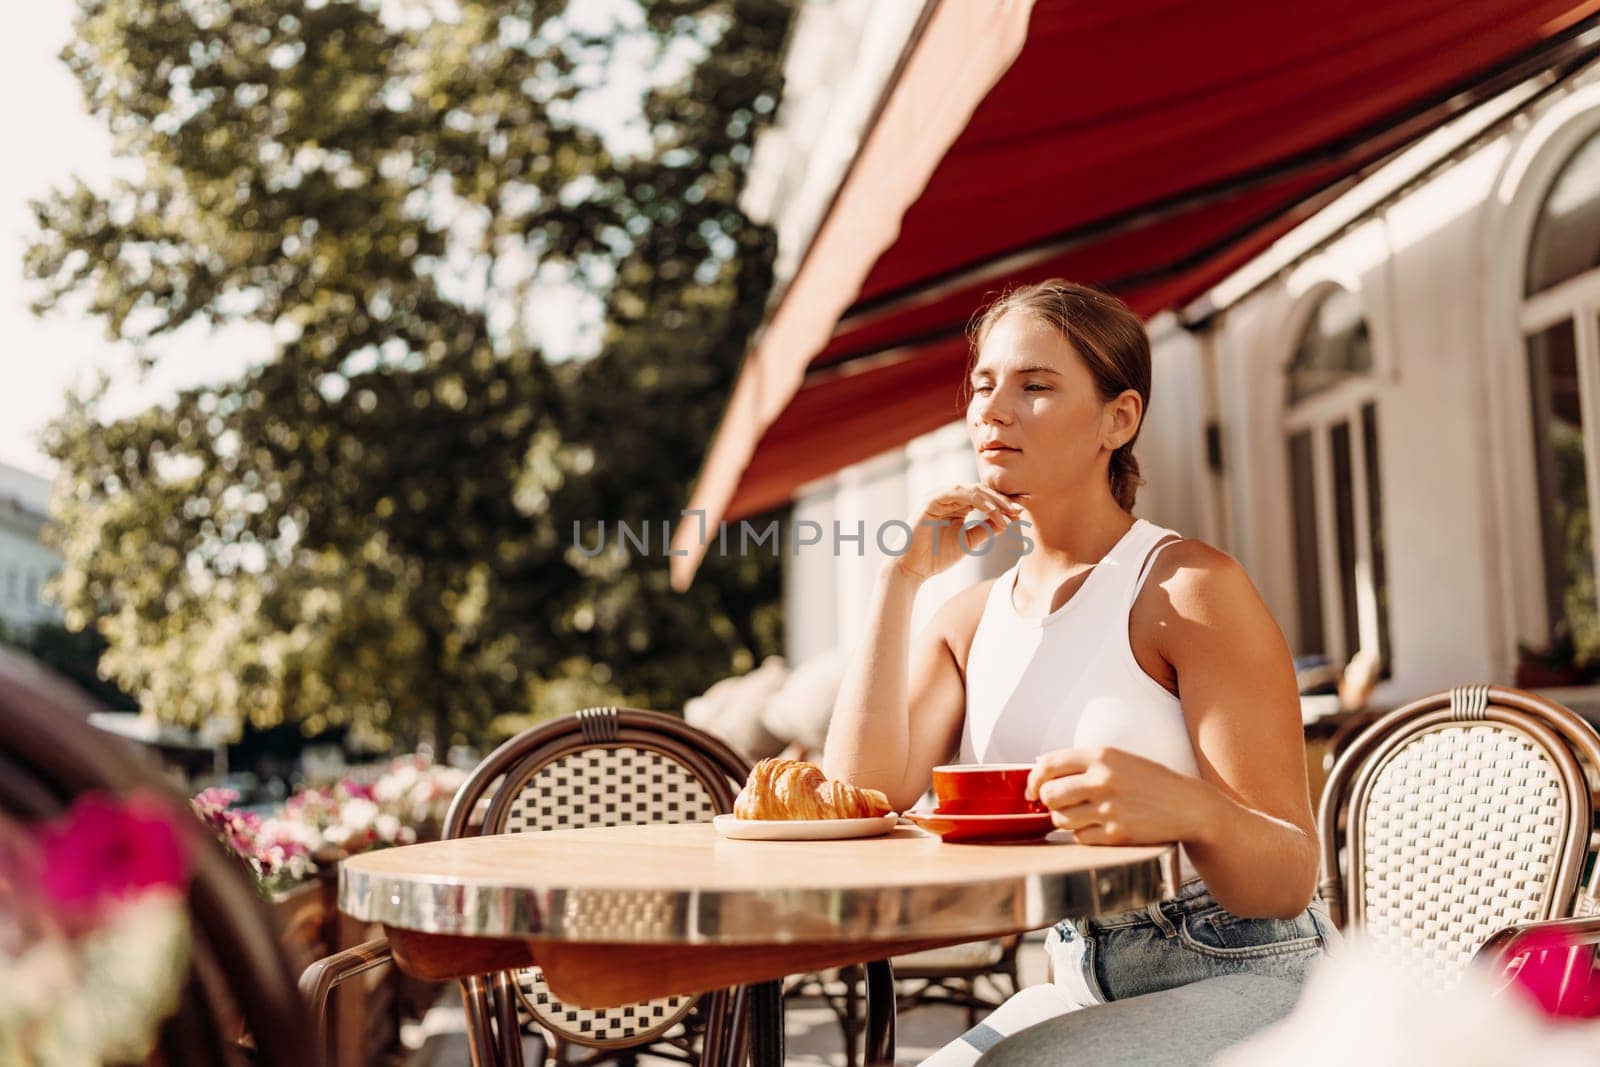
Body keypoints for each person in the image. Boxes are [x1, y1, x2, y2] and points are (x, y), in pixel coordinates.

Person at [820, 280, 1337, 1063]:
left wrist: (1190, 809)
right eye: (984, 385)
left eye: (1035, 386)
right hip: (1081, 977)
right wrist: (899, 582)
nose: (992, 411)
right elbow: (857, 796)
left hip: (1253, 969)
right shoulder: (967, 621)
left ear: (1117, 419)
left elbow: (1287, 876)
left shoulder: (1185, 589)